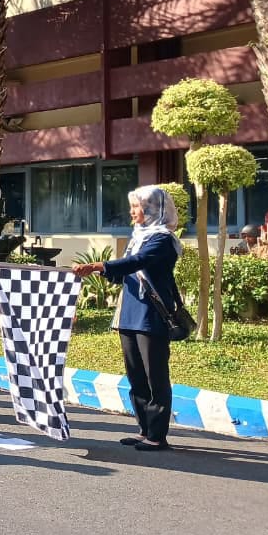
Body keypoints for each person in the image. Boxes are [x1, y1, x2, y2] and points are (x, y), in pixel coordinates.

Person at [74, 185, 183, 452]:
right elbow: (126, 272)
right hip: (130, 314)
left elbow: (140, 262)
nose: (132, 211)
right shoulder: (139, 237)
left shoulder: (162, 239)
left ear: (152, 210)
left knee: (155, 375)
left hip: (151, 315)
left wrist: (99, 265)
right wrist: (100, 272)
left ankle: (157, 435)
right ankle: (145, 429)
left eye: (137, 207)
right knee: (136, 375)